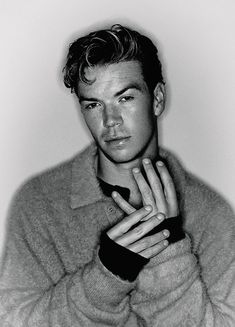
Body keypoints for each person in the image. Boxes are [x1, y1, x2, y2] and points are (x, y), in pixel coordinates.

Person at [0, 24, 234, 327]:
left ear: (158, 99)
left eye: (125, 98)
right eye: (94, 104)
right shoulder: (38, 204)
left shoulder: (212, 214)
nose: (110, 121)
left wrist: (169, 255)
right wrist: (106, 276)